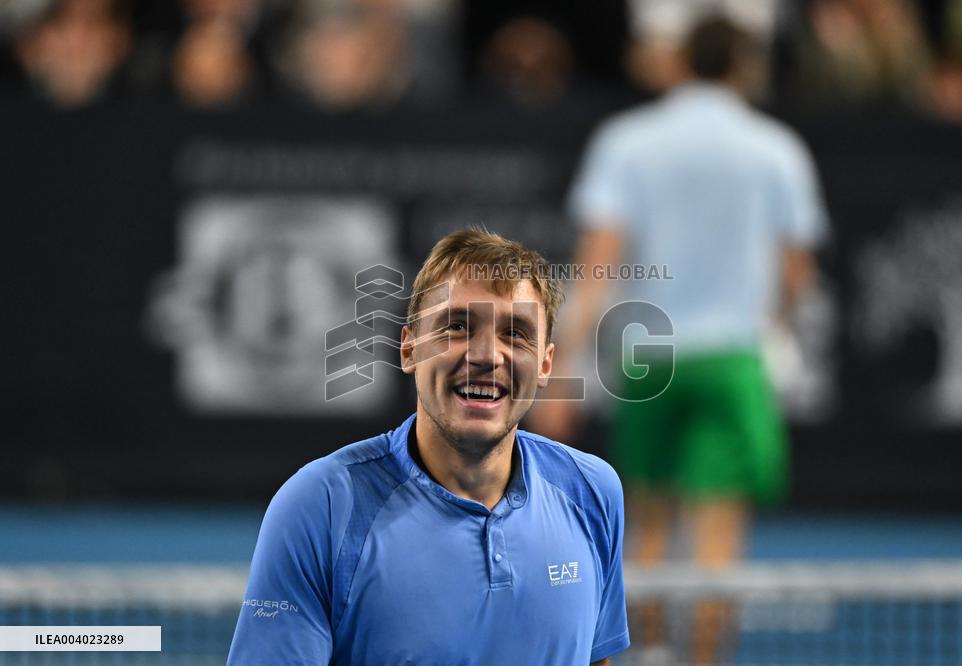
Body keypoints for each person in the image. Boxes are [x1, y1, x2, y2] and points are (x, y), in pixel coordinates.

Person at [531, 15, 828, 663]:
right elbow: (797, 273)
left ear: (680, 62)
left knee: (648, 531)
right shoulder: (777, 148)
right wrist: (773, 329)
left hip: (650, 359)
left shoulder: (627, 141)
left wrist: (562, 374)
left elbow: (597, 269)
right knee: (718, 543)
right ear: (744, 68)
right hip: (732, 361)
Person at [228, 228, 630, 665]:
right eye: (457, 326)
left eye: (515, 333)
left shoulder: (592, 492)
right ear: (408, 350)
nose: (486, 355)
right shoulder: (320, 506)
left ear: (546, 364)